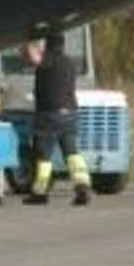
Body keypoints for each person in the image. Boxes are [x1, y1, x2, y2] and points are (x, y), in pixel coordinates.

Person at [23, 29, 92, 206]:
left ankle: (40, 193)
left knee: (43, 156)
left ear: (48, 45)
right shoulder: (69, 63)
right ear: (62, 44)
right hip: (70, 114)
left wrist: (29, 38)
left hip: (49, 116)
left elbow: (33, 58)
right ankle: (82, 187)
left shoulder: (49, 59)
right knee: (72, 153)